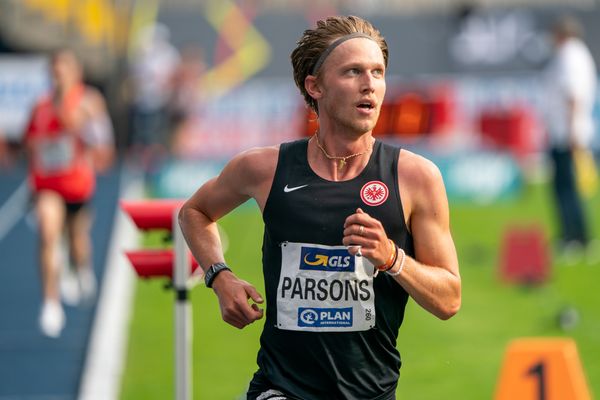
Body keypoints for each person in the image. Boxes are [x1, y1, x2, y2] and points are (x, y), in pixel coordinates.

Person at [179, 16, 461, 399]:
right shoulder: (264, 168)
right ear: (316, 86)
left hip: (370, 391)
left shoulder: (415, 177)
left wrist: (393, 258)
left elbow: (449, 299)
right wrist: (219, 275)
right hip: (280, 388)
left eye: (378, 72)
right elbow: (194, 212)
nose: (370, 85)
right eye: (352, 72)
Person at [23, 48, 115, 338]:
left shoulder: (89, 101)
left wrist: (82, 130)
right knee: (48, 234)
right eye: (55, 68)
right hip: (47, 184)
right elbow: (31, 143)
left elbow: (103, 143)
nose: (59, 73)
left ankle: (82, 267)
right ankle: (51, 302)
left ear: (76, 73)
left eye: (64, 67)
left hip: (76, 183)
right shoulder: (39, 106)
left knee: (76, 237)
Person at [543, 15, 597, 258]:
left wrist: (572, 131)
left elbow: (572, 95)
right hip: (568, 132)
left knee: (567, 189)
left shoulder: (569, 56)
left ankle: (575, 238)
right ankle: (576, 236)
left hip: (568, 135)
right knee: (567, 188)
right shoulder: (577, 54)